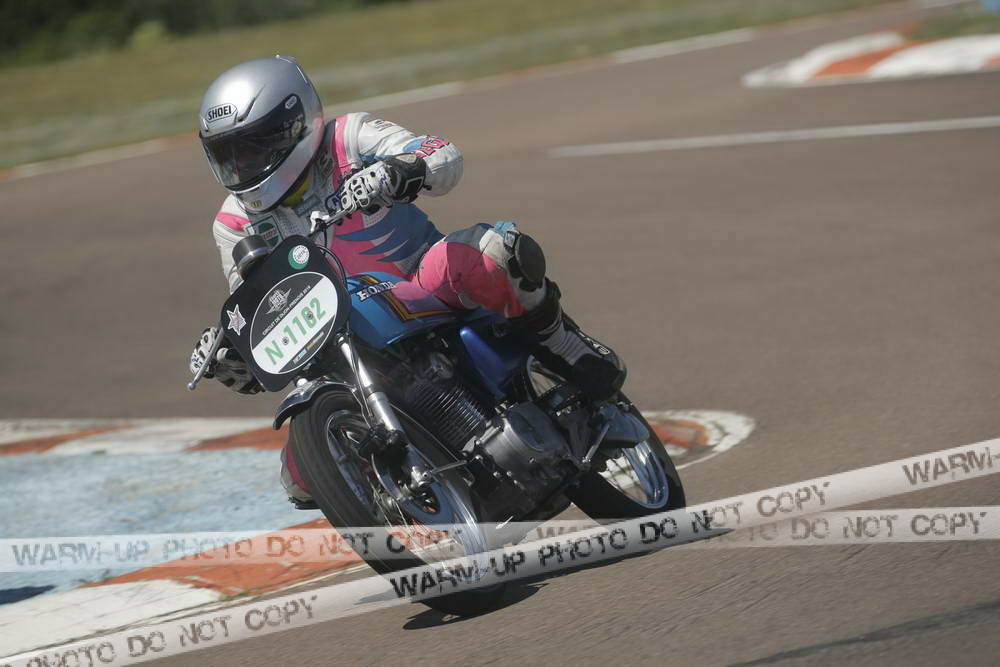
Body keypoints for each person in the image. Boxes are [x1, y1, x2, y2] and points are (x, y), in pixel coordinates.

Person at [189, 56, 625, 508]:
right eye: (228, 154)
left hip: (423, 280)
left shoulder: (348, 138)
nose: (241, 164)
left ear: (293, 124)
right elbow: (256, 303)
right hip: (342, 335)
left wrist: (402, 169)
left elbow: (441, 153)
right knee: (300, 477)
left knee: (494, 252)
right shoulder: (233, 222)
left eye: (252, 147)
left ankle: (563, 343)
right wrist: (235, 355)